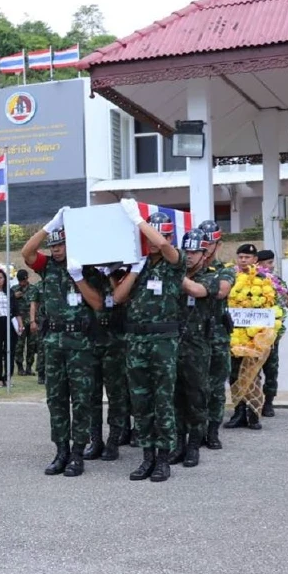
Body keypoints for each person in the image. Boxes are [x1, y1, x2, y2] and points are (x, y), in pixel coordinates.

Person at [21, 211, 106, 478]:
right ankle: (61, 451)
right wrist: (49, 227)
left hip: (80, 342)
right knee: (56, 399)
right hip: (54, 342)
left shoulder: (87, 269)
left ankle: (78, 453)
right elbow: (27, 253)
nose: (56, 249)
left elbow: (98, 304)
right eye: (53, 245)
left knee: (81, 399)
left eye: (61, 244)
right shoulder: (47, 267)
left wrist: (78, 277)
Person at [112, 200, 184, 483]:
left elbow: (165, 247)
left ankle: (163, 458)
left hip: (163, 341)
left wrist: (138, 220)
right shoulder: (138, 265)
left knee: (162, 400)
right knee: (140, 401)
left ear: (169, 237)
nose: (154, 242)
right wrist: (134, 270)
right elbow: (118, 298)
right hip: (136, 341)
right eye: (150, 237)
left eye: (160, 235)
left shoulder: (174, 263)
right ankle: (147, 457)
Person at [172, 230, 220, 469]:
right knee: (175, 396)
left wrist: (173, 272)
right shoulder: (175, 273)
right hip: (173, 343)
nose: (189, 256)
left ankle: (194, 445)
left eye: (194, 252)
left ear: (204, 254)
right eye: (186, 251)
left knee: (196, 396)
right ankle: (178, 443)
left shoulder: (210, 276)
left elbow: (197, 291)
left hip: (197, 346)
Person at [199, 221, 236, 450]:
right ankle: (195, 430)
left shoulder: (225, 270)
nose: (205, 247)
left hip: (217, 336)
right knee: (194, 386)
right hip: (194, 336)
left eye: (210, 243)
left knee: (215, 387)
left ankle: (212, 430)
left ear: (218, 244)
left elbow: (222, 291)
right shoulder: (189, 269)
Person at [93, 265, 132, 458]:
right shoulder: (87, 274)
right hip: (92, 339)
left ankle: (114, 439)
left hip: (116, 341)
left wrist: (111, 273)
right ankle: (95, 440)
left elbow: (122, 297)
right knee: (91, 394)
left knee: (116, 394)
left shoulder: (122, 274)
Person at [227, 243, 262, 429]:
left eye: (247, 257)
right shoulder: (230, 277)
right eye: (240, 257)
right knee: (234, 374)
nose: (243, 260)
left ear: (255, 259)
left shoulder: (264, 278)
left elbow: (272, 305)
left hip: (255, 336)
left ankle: (254, 413)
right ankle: (239, 412)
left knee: (253, 374)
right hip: (234, 334)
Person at [256, 249, 288, 419]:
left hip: (271, 332)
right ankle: (251, 403)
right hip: (250, 334)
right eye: (269, 263)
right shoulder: (246, 280)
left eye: (272, 262)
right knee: (250, 369)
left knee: (271, 368)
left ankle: (268, 402)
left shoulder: (276, 281)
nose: (271, 266)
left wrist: (283, 294)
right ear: (258, 263)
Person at [11, 270, 36, 376]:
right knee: (19, 345)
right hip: (19, 321)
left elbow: (35, 304)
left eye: (23, 280)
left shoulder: (33, 289)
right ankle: (20, 367)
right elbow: (7, 302)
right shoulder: (13, 289)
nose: (21, 283)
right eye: (20, 280)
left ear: (27, 278)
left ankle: (29, 367)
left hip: (31, 321)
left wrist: (34, 321)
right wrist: (14, 296)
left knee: (31, 345)